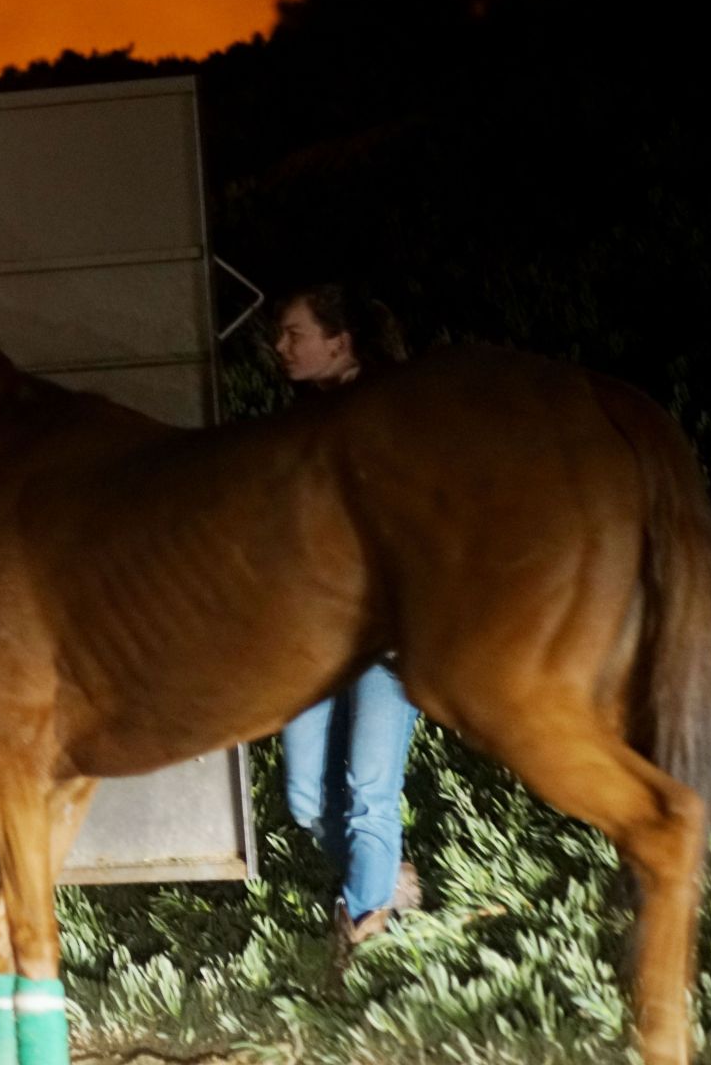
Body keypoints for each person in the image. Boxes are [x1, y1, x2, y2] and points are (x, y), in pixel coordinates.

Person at [272, 281, 422, 945]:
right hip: (315, 640)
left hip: (386, 638)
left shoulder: (395, 413)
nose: (281, 347)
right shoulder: (301, 421)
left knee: (368, 795)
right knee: (307, 801)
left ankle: (360, 937)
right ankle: (385, 881)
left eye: (295, 333)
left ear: (340, 342)